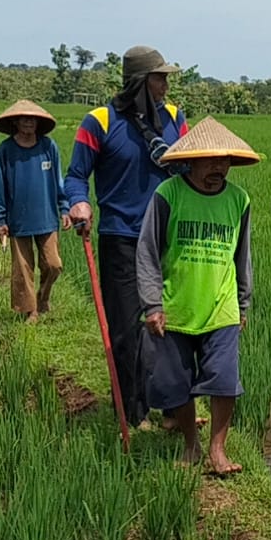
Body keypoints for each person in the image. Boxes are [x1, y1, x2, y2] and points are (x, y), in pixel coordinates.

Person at [64, 46, 189, 429]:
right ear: (139, 82)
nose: (166, 85)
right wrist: (79, 202)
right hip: (121, 237)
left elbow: (190, 170)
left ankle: (174, 408)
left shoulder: (175, 118)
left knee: (173, 323)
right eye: (159, 77)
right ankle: (134, 411)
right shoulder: (99, 122)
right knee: (126, 329)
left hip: (168, 236)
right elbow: (76, 175)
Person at [135, 117, 257, 474]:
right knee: (177, 384)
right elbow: (147, 251)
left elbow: (242, 256)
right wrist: (152, 304)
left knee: (224, 381)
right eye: (210, 160)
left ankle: (218, 451)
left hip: (221, 307)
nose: (218, 168)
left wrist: (243, 303)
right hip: (176, 307)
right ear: (191, 161)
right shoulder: (168, 194)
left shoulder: (239, 200)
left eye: (224, 161)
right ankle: (191, 445)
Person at [0, 99, 71, 323]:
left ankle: (43, 298)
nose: (29, 122)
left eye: (32, 119)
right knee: (23, 268)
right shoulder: (6, 150)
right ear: (15, 122)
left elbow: (58, 180)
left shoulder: (48, 147)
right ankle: (30, 310)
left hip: (46, 216)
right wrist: (0, 219)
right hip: (18, 218)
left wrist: (64, 207)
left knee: (53, 264)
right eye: (24, 119)